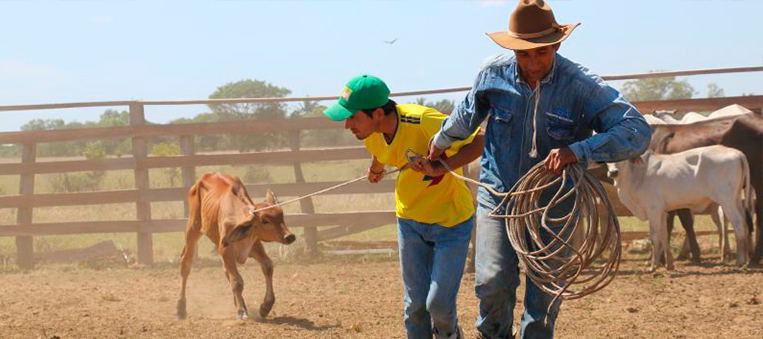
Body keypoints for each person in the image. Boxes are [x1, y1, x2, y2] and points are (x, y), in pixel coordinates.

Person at [425, 1, 652, 338]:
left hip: (555, 204)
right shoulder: (492, 74)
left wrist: (577, 151)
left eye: (540, 53)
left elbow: (636, 131)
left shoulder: (580, 85)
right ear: (513, 50)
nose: (532, 63)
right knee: (491, 282)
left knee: (543, 297)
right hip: (500, 197)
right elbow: (467, 114)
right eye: (523, 54)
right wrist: (441, 141)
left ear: (557, 45)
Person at [323, 74, 484, 339]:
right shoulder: (371, 133)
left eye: (352, 116)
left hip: (451, 222)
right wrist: (376, 169)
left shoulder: (423, 120)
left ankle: (450, 334)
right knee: (415, 307)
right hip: (410, 222)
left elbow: (478, 139)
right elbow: (382, 151)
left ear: (377, 113)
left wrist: (438, 168)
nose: (347, 124)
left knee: (439, 305)